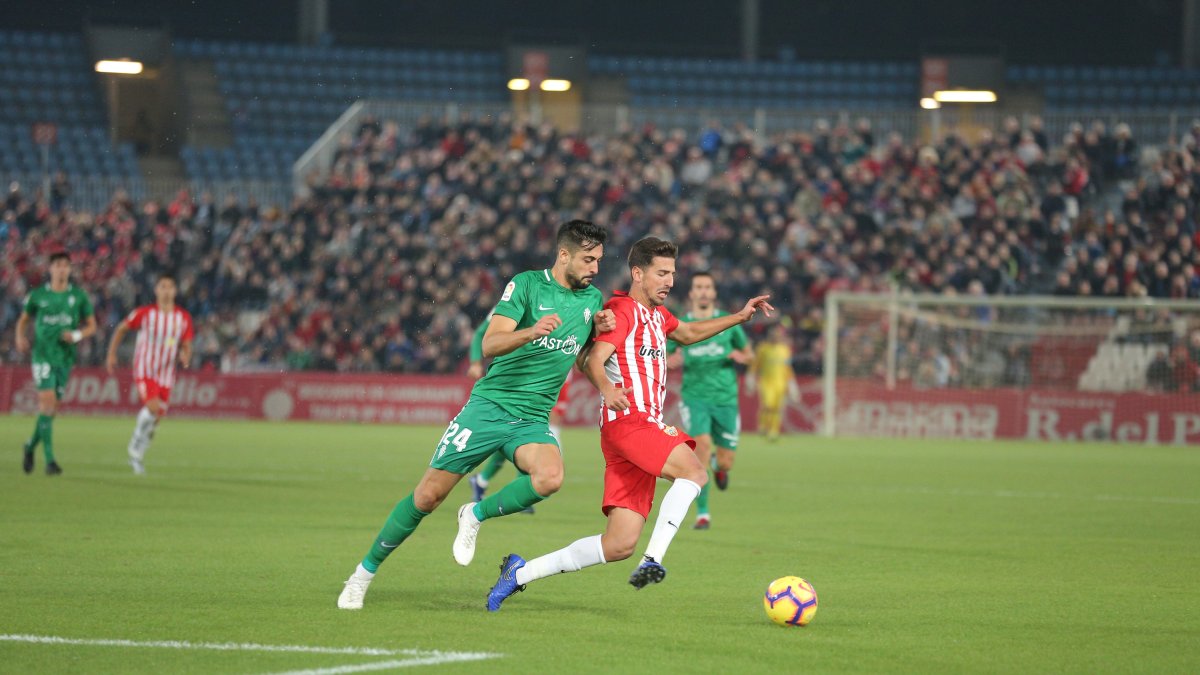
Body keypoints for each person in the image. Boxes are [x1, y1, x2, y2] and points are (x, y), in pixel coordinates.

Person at [336, 220, 616, 610]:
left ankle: (475, 514)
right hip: (488, 408)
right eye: (589, 259)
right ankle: (361, 576)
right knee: (428, 496)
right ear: (564, 254)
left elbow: (582, 357)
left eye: (599, 260)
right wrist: (531, 332)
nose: (595, 268)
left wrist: (600, 337)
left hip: (532, 418)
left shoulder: (592, 301)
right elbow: (490, 343)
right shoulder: (527, 285)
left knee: (550, 478)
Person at [485, 236, 772, 611]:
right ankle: (653, 560)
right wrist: (607, 388)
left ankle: (518, 574)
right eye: (662, 273)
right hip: (629, 423)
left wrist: (738, 316)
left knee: (618, 544)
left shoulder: (659, 315)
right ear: (638, 273)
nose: (670, 281)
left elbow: (686, 334)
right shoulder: (622, 311)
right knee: (695, 473)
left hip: (636, 431)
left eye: (673, 273)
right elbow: (591, 358)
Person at [666, 272, 754, 530]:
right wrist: (669, 361)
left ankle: (719, 466)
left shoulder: (728, 322)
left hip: (726, 399)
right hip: (695, 399)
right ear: (692, 294)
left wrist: (741, 357)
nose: (703, 291)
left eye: (707, 287)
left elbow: (749, 355)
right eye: (698, 287)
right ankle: (703, 513)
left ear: (714, 293)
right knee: (701, 448)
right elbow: (664, 354)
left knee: (725, 461)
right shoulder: (681, 324)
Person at [466, 311, 574, 512]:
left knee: (526, 432)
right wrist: (474, 363)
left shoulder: (577, 300)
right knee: (516, 432)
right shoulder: (516, 301)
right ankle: (510, 487)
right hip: (520, 376)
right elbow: (481, 334)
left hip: (557, 369)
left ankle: (485, 481)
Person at [15, 251, 97, 475]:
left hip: (65, 358)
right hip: (42, 356)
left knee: (52, 410)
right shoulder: (38, 296)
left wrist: (77, 336)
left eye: (65, 266)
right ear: (50, 269)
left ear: (70, 270)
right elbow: (23, 319)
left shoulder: (78, 296)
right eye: (57, 265)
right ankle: (50, 461)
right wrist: (20, 337)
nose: (61, 269)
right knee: (47, 404)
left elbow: (92, 325)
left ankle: (30, 446)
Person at [105, 273, 195, 474]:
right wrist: (111, 354)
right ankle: (136, 442)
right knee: (153, 408)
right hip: (145, 368)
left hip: (166, 374)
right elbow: (121, 329)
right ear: (156, 290)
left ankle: (138, 455)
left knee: (156, 419)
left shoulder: (182, 318)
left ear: (175, 291)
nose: (166, 290)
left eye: (170, 287)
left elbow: (187, 344)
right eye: (162, 286)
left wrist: (185, 356)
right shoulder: (145, 313)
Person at [750, 323, 798, 442]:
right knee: (767, 405)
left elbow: (787, 368)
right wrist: (750, 377)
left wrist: (792, 384)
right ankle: (763, 426)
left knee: (777, 408)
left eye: (778, 335)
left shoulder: (785, 350)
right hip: (766, 382)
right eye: (773, 334)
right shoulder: (763, 348)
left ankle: (773, 431)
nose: (776, 337)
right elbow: (755, 365)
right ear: (769, 335)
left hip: (780, 383)